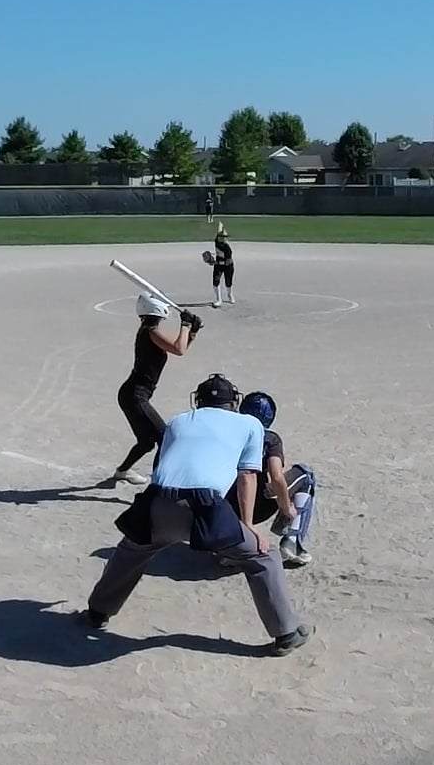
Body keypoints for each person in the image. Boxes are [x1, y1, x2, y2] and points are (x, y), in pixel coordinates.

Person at [79, 373, 315, 657]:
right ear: (234, 403)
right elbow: (247, 477)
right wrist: (248, 525)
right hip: (205, 507)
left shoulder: (178, 421)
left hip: (156, 501)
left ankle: (97, 612)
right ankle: (286, 633)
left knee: (131, 551)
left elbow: (161, 466)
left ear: (198, 401)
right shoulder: (250, 424)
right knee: (263, 557)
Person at [111, 294, 202, 486]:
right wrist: (185, 325)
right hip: (135, 395)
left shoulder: (149, 331)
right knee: (164, 438)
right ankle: (159, 484)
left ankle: (122, 471)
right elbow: (179, 349)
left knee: (146, 442)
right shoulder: (151, 332)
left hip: (134, 394)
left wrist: (191, 332)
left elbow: (179, 347)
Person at [236, 391, 318, 568]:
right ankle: (292, 539)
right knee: (305, 475)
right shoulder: (269, 438)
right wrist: (286, 508)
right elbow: (276, 477)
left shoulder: (229, 434)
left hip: (226, 506)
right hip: (258, 506)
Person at [210, 225, 236, 307]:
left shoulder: (227, 248)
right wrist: (220, 227)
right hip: (218, 265)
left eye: (224, 237)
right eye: (221, 236)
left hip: (228, 266)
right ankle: (219, 300)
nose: (223, 238)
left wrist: (215, 262)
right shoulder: (216, 242)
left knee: (228, 282)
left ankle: (230, 294)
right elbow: (217, 234)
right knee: (215, 280)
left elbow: (228, 262)